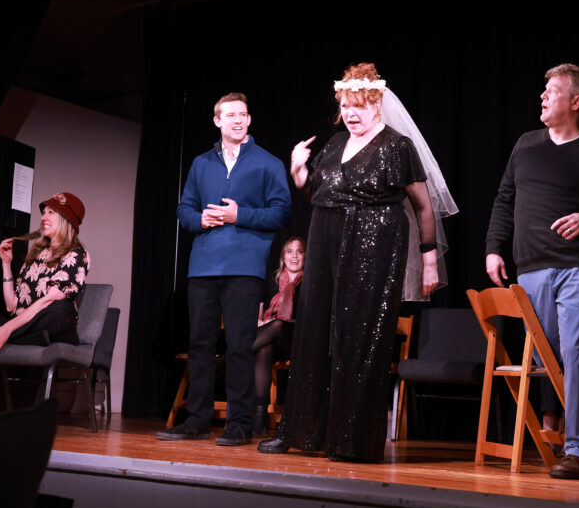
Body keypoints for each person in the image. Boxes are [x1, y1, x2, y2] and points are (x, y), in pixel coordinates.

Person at [259, 62, 456, 461]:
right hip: (325, 242)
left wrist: (429, 261)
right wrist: (299, 174)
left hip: (375, 245)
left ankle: (351, 439)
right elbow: (320, 194)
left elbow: (423, 207)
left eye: (358, 105)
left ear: (376, 104)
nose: (350, 113)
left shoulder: (397, 146)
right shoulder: (334, 144)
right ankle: (299, 431)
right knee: (313, 330)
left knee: (360, 335)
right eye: (345, 105)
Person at [485, 63, 579, 480]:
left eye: (551, 91)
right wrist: (493, 248)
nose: (542, 96)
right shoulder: (526, 144)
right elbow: (504, 199)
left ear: (576, 101)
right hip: (531, 269)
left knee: (578, 352)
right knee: (552, 357)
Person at [158, 92, 292, 446]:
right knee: (200, 344)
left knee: (239, 345)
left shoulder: (268, 163)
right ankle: (196, 421)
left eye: (243, 114)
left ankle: (239, 424)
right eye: (230, 115)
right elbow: (184, 208)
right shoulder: (201, 163)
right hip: (203, 267)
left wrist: (239, 215)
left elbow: (282, 212)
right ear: (217, 121)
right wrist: (199, 219)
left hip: (245, 268)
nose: (238, 120)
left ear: (249, 120)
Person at [0, 192, 90, 350]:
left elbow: (49, 301)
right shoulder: (37, 253)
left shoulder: (76, 254)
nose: (43, 218)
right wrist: (6, 263)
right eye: (44, 213)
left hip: (51, 325)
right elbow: (12, 306)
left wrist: (7, 328)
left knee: (62, 308)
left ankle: (12, 337)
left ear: (66, 220)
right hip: (26, 328)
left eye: (51, 212)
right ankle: (26, 339)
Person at [252, 237, 305, 437]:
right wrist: (264, 323)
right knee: (264, 349)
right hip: (271, 340)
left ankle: (231, 357)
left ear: (305, 257)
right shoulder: (271, 283)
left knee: (280, 323)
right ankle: (260, 417)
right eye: (289, 251)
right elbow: (258, 318)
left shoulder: (309, 284)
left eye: (299, 251)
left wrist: (278, 323)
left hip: (296, 342)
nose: (294, 256)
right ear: (283, 257)